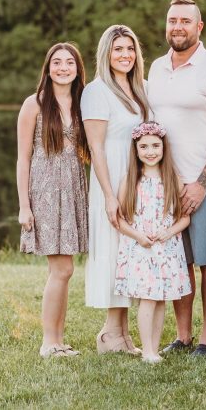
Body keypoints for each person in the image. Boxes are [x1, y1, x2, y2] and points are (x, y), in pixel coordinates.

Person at [147, 0, 206, 356]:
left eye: (186, 21)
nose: (178, 27)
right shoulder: (155, 68)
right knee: (178, 260)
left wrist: (202, 183)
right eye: (172, 20)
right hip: (167, 183)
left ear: (199, 27)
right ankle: (182, 336)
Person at [17, 42, 91, 358]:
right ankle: (49, 341)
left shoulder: (82, 103)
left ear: (77, 69)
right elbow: (23, 158)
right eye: (57, 62)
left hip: (73, 187)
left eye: (69, 62)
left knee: (66, 270)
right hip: (45, 190)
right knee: (60, 269)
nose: (63, 68)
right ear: (48, 69)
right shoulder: (34, 104)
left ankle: (59, 339)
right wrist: (24, 205)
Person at [81, 25, 151, 354]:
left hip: (139, 180)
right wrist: (110, 195)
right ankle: (110, 332)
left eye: (130, 48)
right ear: (106, 54)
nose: (125, 55)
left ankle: (123, 335)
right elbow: (96, 148)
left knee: (130, 254)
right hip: (110, 178)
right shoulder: (96, 92)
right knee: (112, 250)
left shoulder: (142, 88)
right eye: (118, 49)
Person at [114, 121, 192, 364]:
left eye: (155, 146)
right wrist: (138, 236)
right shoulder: (130, 179)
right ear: (136, 150)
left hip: (166, 248)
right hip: (141, 248)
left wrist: (169, 232)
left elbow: (184, 218)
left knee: (160, 298)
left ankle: (153, 349)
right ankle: (147, 350)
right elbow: (119, 220)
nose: (150, 151)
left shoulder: (173, 178)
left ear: (163, 147)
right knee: (148, 297)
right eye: (144, 146)